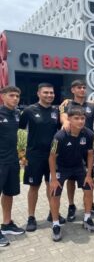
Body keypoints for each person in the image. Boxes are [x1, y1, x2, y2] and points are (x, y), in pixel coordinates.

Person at [60, 80, 94, 221]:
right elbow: (63, 116)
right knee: (71, 179)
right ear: (73, 90)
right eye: (79, 88)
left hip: (88, 146)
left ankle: (90, 205)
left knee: (90, 176)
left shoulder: (92, 106)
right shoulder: (67, 104)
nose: (82, 90)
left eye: (84, 87)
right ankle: (71, 206)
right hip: (71, 146)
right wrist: (65, 122)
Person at [19, 83, 64, 232]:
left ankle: (53, 213)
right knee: (34, 187)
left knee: (51, 184)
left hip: (53, 155)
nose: (49, 95)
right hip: (34, 155)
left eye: (51, 93)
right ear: (38, 93)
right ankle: (31, 217)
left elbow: (61, 130)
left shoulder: (56, 111)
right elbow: (20, 132)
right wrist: (21, 154)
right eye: (46, 93)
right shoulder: (28, 111)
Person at [49, 106, 94, 242]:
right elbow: (52, 157)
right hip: (61, 167)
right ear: (69, 119)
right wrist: (53, 178)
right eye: (76, 118)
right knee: (54, 192)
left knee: (89, 188)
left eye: (82, 118)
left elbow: (89, 155)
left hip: (78, 166)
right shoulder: (60, 136)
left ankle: (87, 218)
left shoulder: (89, 134)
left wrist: (89, 174)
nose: (80, 121)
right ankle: (56, 224)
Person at [0, 86, 25, 247]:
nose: (15, 98)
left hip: (12, 161)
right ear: (2, 96)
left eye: (17, 96)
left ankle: (7, 223)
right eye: (11, 95)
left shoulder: (17, 114)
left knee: (9, 193)